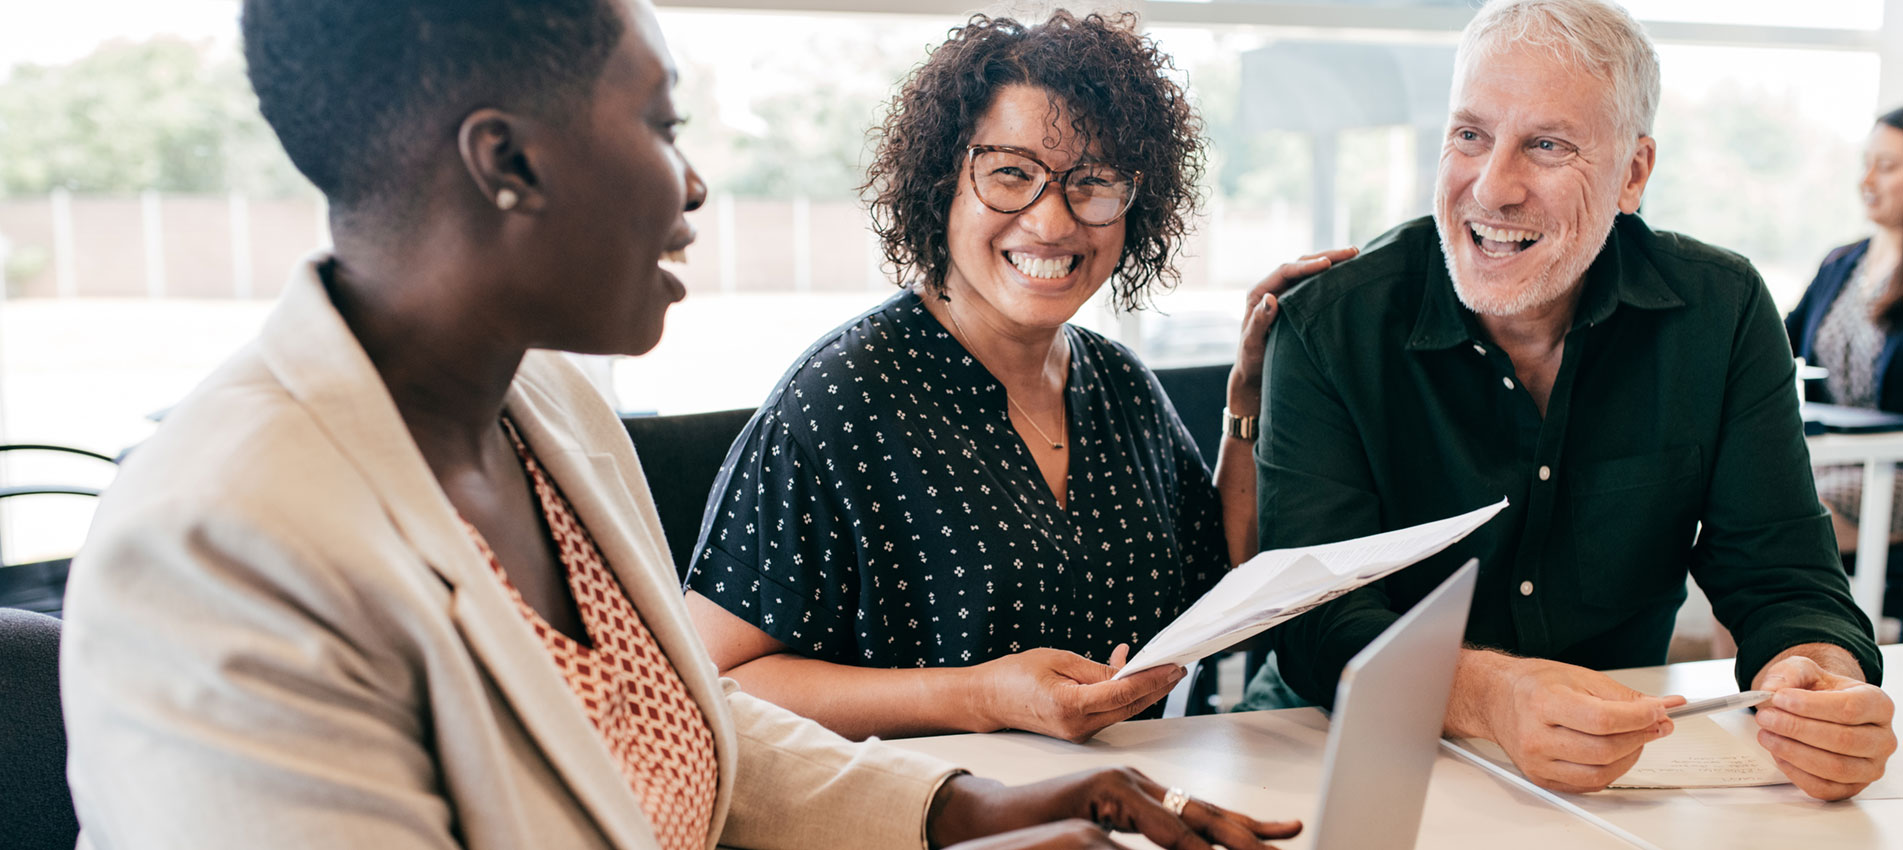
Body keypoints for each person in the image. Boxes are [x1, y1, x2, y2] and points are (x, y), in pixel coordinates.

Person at [58, 2, 1307, 848]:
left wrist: (967, 809)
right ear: (511, 162)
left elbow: (690, 729)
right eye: (661, 125)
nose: (694, 182)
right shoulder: (219, 542)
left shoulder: (544, 410)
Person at [1253, 0, 1895, 801]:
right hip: (1332, 749)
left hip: (1613, 771)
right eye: (1469, 135)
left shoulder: (1720, 311)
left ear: (1632, 174)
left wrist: (1817, 680)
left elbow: (1782, 578)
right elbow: (1313, 619)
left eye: (1546, 145)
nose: (1492, 187)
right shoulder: (1330, 324)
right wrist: (1491, 696)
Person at [684, 11, 1351, 743]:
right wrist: (976, 697)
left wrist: (1248, 396)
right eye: (1011, 174)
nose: (1053, 221)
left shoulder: (1118, 384)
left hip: (1119, 801)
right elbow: (719, 682)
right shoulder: (838, 401)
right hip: (926, 814)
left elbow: (1221, 579)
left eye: (1092, 182)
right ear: (942, 183)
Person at [1786, 106, 1903, 614]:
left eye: (1889, 166)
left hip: (1893, 467)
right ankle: (1748, 683)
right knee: (1739, 513)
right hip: (1830, 458)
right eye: (1866, 163)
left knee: (1775, 528)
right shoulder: (1842, 262)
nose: (1867, 180)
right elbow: (1778, 346)